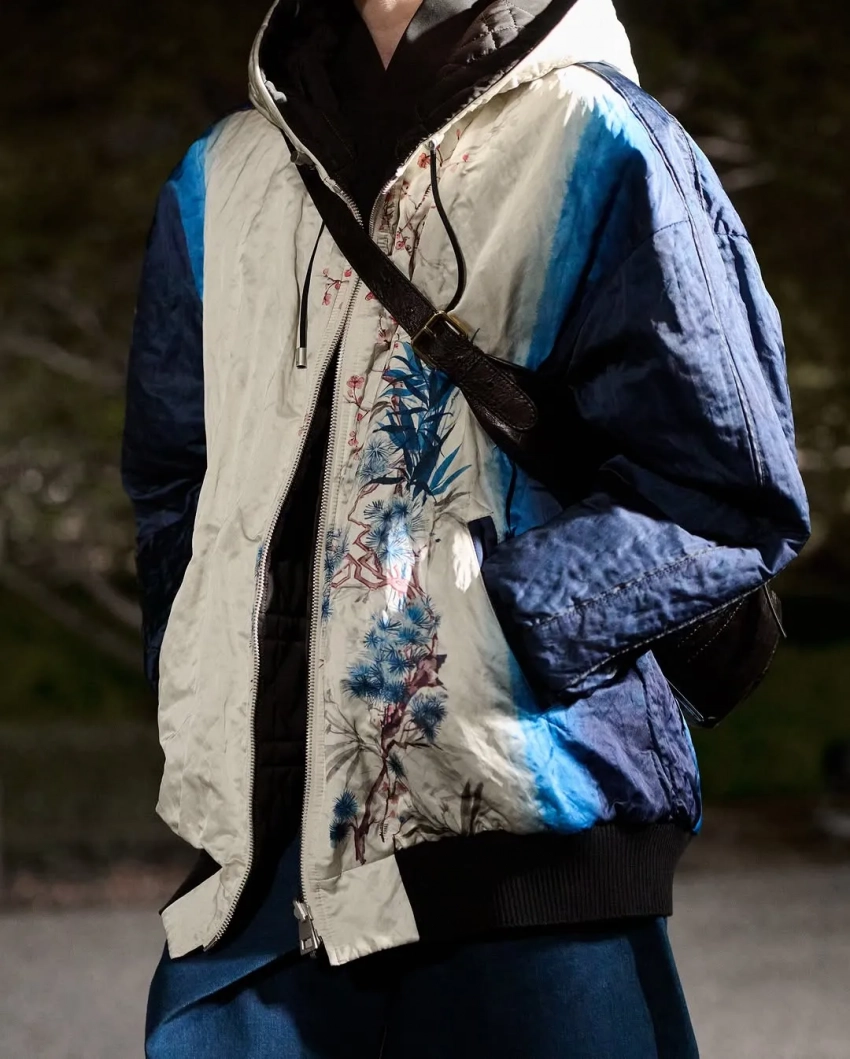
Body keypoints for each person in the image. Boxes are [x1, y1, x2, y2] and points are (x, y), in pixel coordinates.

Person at [121, 0, 811, 1056]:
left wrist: (490, 619)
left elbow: (723, 489)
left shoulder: (596, 140)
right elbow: (174, 478)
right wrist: (202, 662)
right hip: (248, 899)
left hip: (526, 882)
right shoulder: (220, 177)